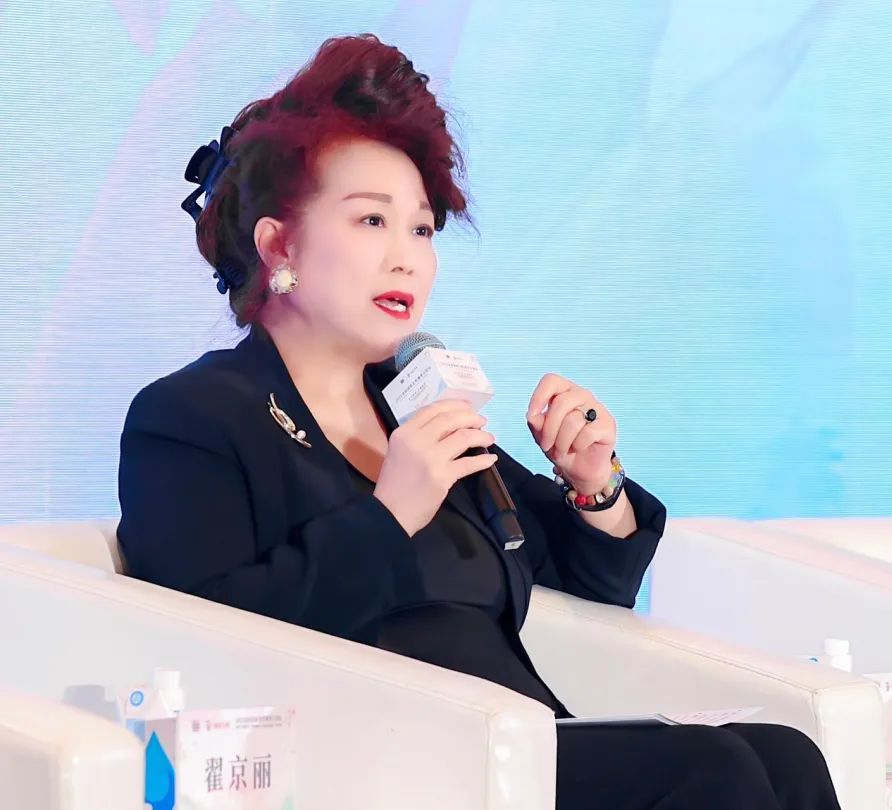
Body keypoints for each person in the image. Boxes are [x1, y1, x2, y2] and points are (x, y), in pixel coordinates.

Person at [118, 34, 841, 810]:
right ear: (278, 245)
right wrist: (390, 515)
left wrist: (594, 485)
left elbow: (588, 578)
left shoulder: (418, 406)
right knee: (711, 768)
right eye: (372, 221)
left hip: (514, 750)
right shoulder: (192, 418)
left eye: (422, 230)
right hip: (371, 771)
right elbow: (208, 639)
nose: (407, 258)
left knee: (785, 753)